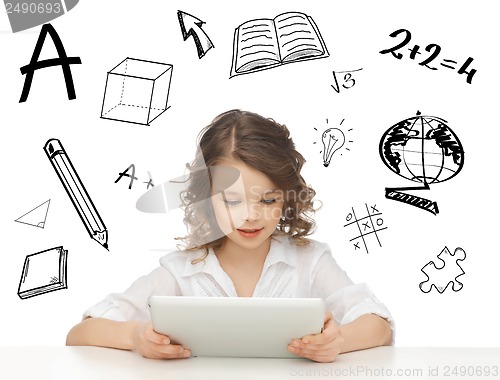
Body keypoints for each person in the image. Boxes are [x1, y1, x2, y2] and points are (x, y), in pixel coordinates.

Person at [66, 109, 393, 363]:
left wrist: (338, 342)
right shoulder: (181, 270)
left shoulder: (310, 261)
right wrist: (137, 336)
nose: (250, 215)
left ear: (287, 196)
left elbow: (378, 324)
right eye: (232, 200)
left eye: (268, 199)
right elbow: (80, 334)